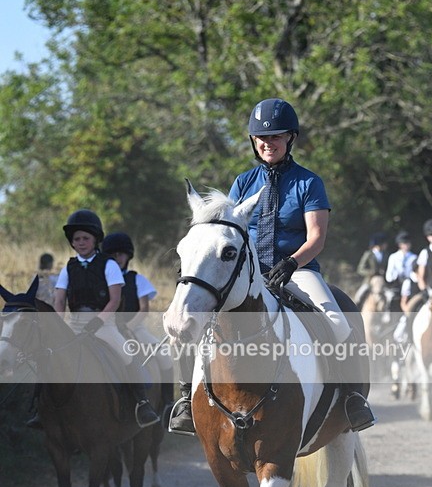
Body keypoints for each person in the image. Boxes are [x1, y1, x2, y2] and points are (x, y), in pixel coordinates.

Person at [169, 97, 376, 435]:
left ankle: (352, 399)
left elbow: (317, 238)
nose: (268, 143)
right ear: (254, 142)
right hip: (247, 275)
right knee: (194, 320)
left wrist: (291, 263)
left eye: (276, 137)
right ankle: (184, 401)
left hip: (298, 270)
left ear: (290, 138)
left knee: (338, 323)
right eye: (262, 138)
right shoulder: (242, 183)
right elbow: (227, 235)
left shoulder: (309, 183)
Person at [43, 210, 159, 428]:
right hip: (74, 323)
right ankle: (41, 411)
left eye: (85, 238)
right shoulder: (68, 267)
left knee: (127, 354)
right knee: (50, 357)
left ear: (95, 239)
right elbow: (59, 301)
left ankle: (142, 403)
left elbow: (114, 300)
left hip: (104, 324)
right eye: (76, 239)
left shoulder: (109, 265)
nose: (81, 242)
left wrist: (97, 321)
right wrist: (58, 324)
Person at [101, 231, 175, 427]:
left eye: (120, 254)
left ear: (128, 256)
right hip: (105, 328)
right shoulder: (102, 279)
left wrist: (127, 327)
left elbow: (144, 309)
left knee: (164, 355)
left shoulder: (137, 280)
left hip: (134, 328)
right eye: (112, 255)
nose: (117, 259)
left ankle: (169, 404)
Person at [353, 232, 389, 306]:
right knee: (358, 296)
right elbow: (360, 269)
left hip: (383, 281)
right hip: (369, 280)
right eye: (384, 243)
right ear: (379, 244)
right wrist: (372, 272)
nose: (386, 245)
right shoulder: (368, 254)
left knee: (390, 296)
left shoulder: (386, 255)